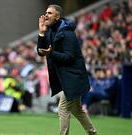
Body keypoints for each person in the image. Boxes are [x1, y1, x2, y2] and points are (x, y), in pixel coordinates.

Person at [37, 5, 97, 135]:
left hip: (74, 77)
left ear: (57, 17)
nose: (46, 15)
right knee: (77, 110)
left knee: (62, 108)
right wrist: (41, 33)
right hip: (65, 78)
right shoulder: (49, 31)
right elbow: (41, 52)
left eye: (50, 13)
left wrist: (51, 53)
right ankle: (92, 133)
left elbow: (69, 58)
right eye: (46, 12)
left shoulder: (68, 33)